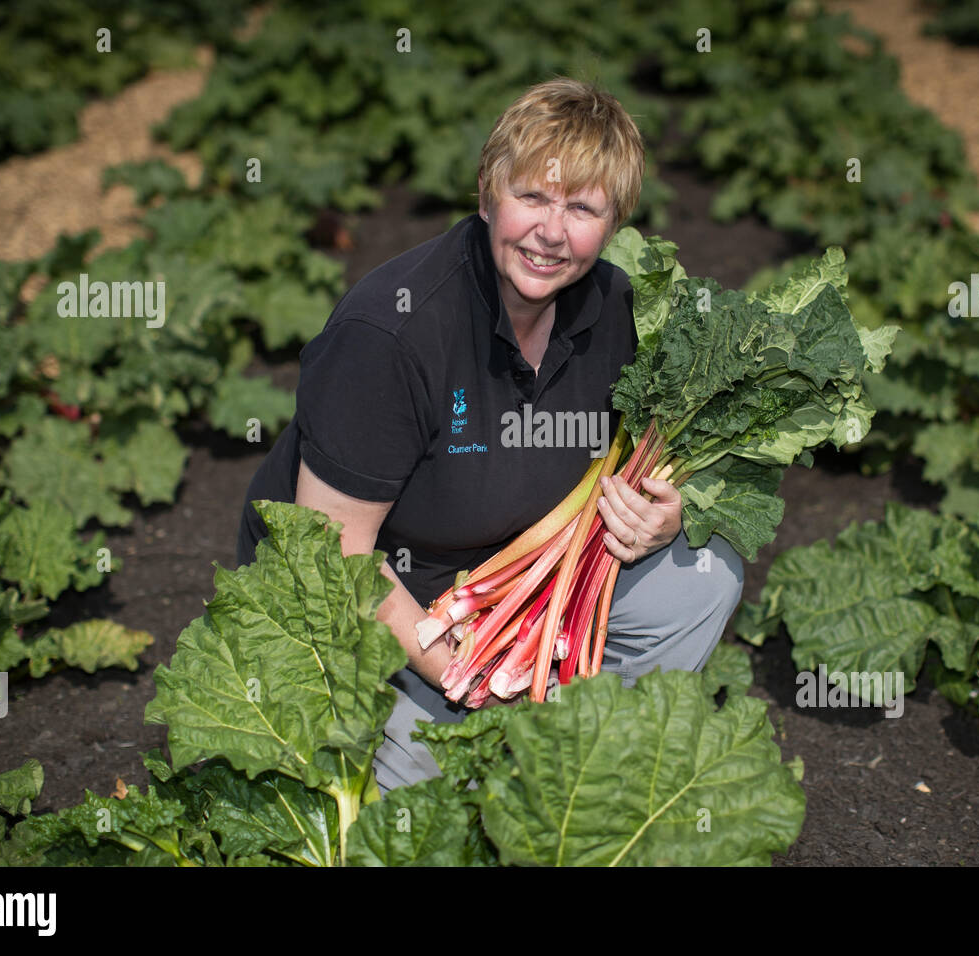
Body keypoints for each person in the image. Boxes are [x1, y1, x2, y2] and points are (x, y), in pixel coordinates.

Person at [235, 77, 744, 792]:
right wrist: (468, 677)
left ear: (615, 223)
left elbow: (647, 455)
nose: (551, 231)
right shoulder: (391, 335)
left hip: (510, 579)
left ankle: (600, 769)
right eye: (532, 197)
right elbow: (330, 553)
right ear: (486, 195)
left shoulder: (623, 312)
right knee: (426, 808)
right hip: (377, 599)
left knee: (703, 575)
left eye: (582, 208)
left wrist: (664, 516)